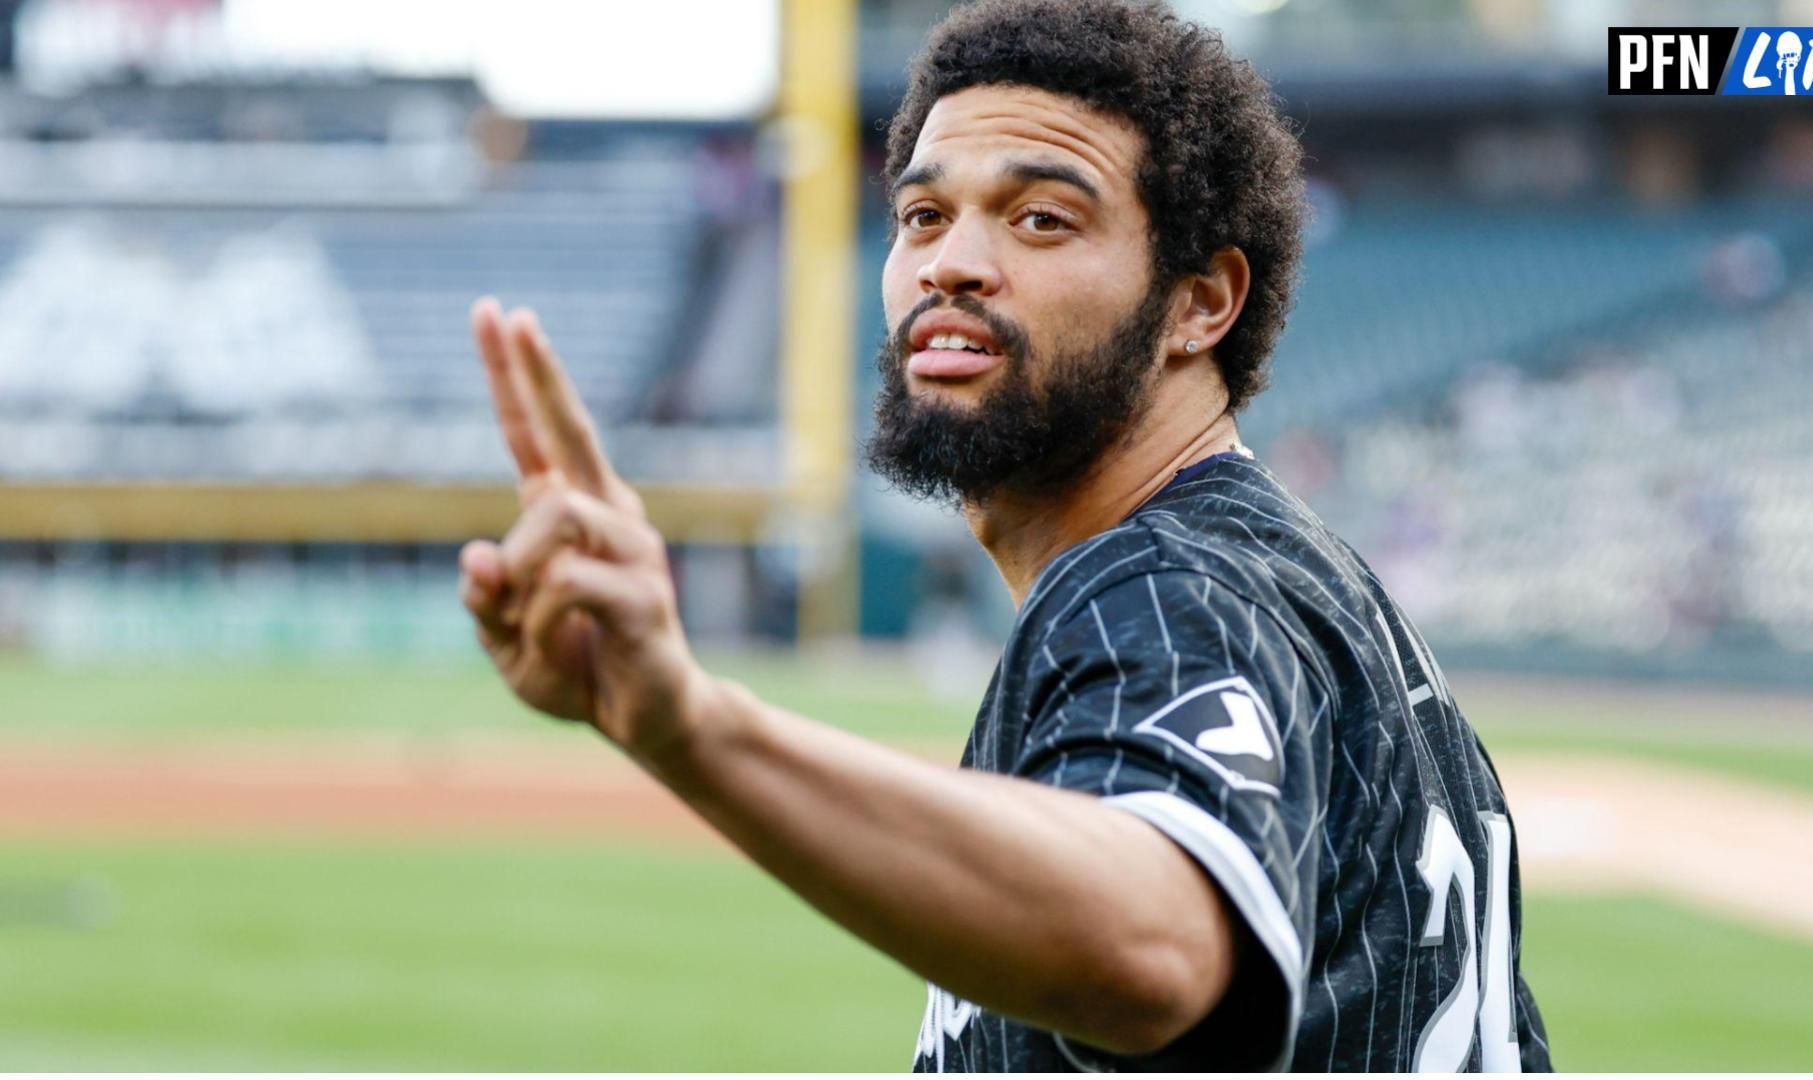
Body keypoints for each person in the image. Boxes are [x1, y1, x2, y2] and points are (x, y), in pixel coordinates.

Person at [457, 0, 1551, 1070]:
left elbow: (1152, 945)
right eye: (923, 217)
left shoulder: (1168, 583)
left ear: (1199, 304)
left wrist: (689, 725)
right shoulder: (1278, 571)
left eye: (1040, 219)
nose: (950, 265)